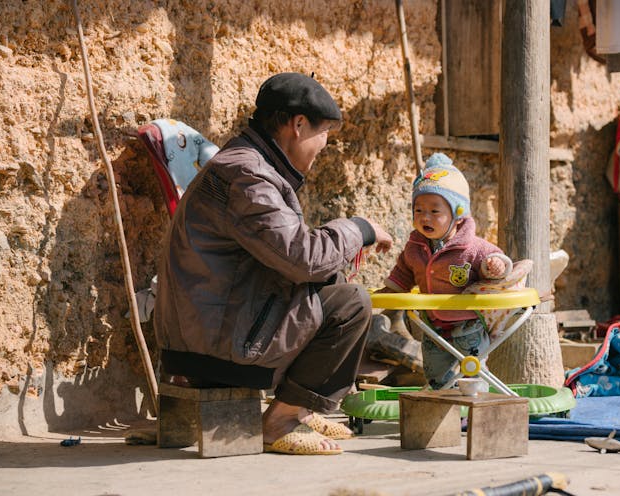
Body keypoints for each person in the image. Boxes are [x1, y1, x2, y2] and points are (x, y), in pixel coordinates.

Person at [153, 72, 393, 455]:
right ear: (298, 125)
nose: (324, 144)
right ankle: (282, 418)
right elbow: (302, 259)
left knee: (331, 290)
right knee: (350, 303)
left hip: (206, 336)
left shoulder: (249, 165)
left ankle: (296, 407)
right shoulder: (247, 175)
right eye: (325, 132)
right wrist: (359, 229)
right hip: (213, 348)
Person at [381, 152, 512, 389]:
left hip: (468, 326)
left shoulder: (471, 247)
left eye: (434, 211)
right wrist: (387, 291)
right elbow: (403, 272)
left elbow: (493, 261)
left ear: (458, 215)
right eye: (418, 210)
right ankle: (444, 405)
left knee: (472, 371)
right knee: (434, 372)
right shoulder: (415, 248)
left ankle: (473, 406)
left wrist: (496, 266)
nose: (424, 217)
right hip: (432, 326)